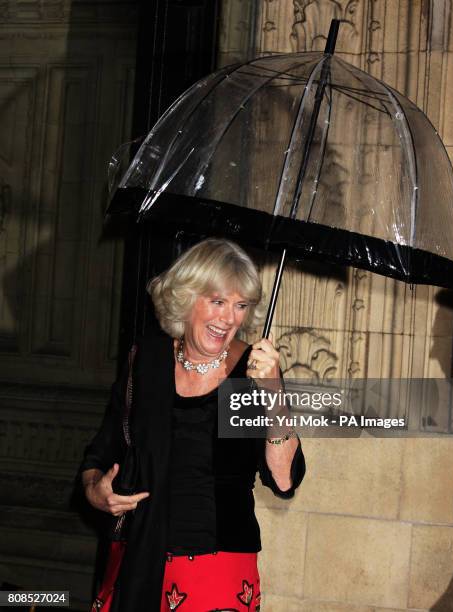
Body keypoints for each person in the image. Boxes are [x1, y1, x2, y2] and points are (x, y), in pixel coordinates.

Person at [80, 238, 305, 611]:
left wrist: (274, 395)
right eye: (218, 302)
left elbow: (284, 480)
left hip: (217, 571)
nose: (229, 318)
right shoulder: (146, 359)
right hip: (137, 559)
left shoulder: (253, 372)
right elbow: (102, 451)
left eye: (240, 306)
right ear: (185, 300)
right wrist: (95, 493)